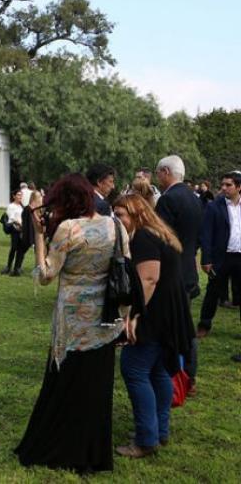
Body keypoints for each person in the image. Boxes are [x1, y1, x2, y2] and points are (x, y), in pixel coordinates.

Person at [15, 173, 128, 473]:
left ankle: (61, 447)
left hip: (73, 322)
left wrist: (40, 235)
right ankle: (93, 453)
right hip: (106, 319)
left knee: (66, 387)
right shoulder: (115, 224)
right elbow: (123, 265)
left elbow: (45, 274)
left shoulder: (68, 229)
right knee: (95, 390)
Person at [112, 194, 195, 457]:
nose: (117, 219)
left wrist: (136, 315)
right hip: (171, 311)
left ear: (136, 214)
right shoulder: (156, 232)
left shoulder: (144, 237)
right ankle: (159, 431)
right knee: (159, 371)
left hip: (156, 313)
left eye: (121, 214)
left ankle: (147, 439)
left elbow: (149, 279)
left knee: (134, 368)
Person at [154, 155, 202, 389]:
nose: (157, 178)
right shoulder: (194, 199)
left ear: (165, 171)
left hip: (172, 271)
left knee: (175, 328)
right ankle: (189, 374)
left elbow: (162, 238)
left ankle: (177, 375)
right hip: (189, 268)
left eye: (158, 173)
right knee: (186, 325)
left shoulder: (168, 199)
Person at [198, 172, 241, 347]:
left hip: (240, 257)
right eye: (222, 184)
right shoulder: (214, 206)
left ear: (239, 187)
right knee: (212, 292)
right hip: (221, 258)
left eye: (228, 185)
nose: (223, 188)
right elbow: (206, 234)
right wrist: (206, 259)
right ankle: (204, 325)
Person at [2, 188, 26, 276]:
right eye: (18, 195)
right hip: (15, 230)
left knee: (21, 249)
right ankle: (8, 266)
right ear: (14, 196)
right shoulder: (11, 206)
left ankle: (18, 267)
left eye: (21, 195)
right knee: (14, 248)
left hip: (22, 230)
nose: (20, 197)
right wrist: (19, 223)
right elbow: (11, 218)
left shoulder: (22, 206)